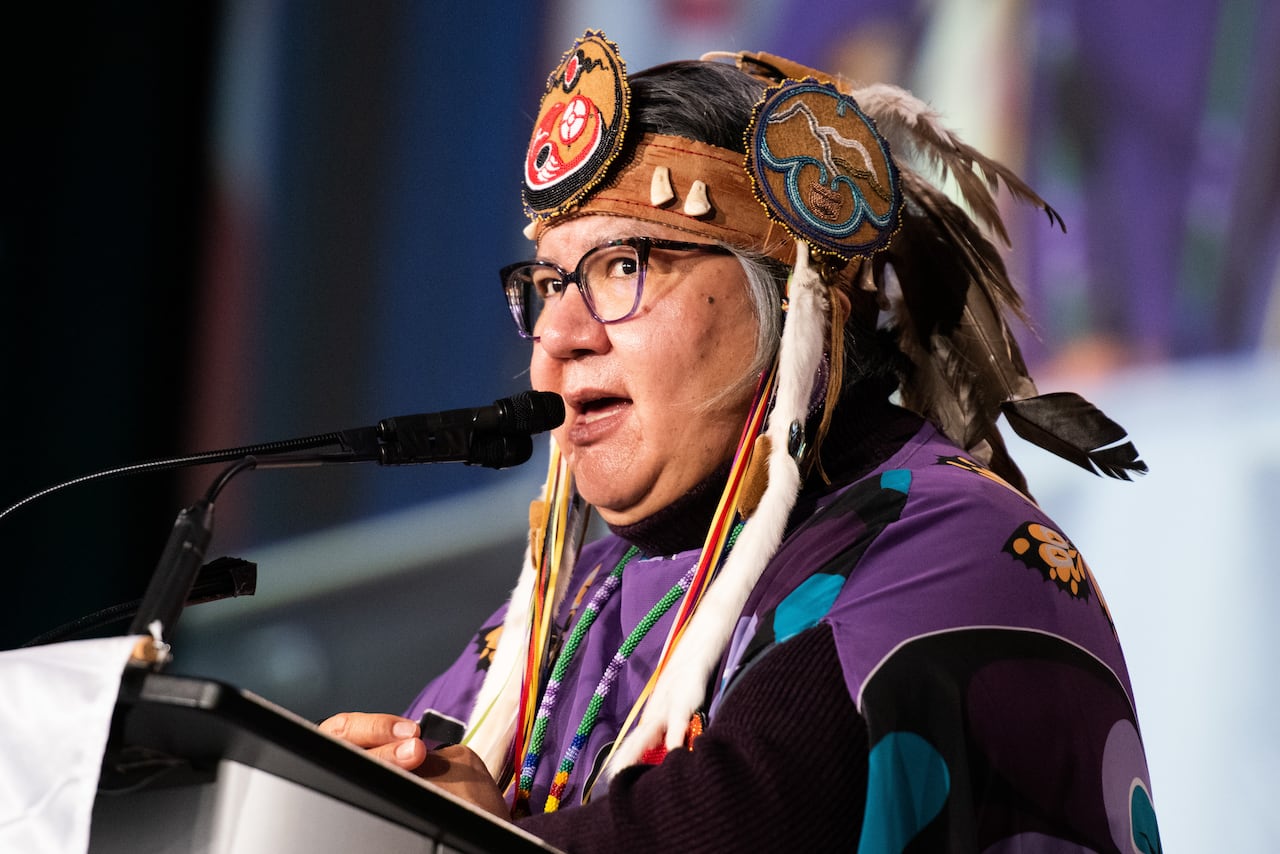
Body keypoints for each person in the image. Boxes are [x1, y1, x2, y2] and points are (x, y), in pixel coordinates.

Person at [320, 31, 1161, 852]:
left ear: (794, 300)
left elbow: (743, 820)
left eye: (622, 266)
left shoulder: (951, 546)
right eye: (546, 285)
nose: (559, 335)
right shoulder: (566, 612)